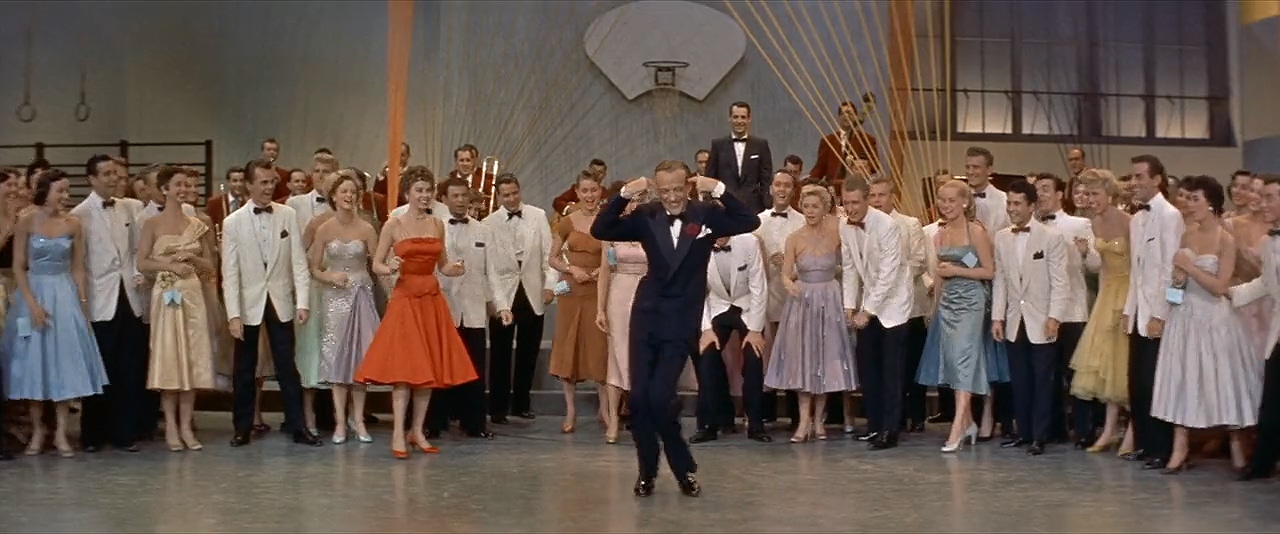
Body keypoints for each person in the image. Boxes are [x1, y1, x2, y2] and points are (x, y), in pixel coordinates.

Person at [590, 160, 760, 498]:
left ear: (688, 185)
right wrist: (623, 195)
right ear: (655, 187)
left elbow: (749, 220)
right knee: (640, 399)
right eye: (664, 190)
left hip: (681, 320)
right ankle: (648, 471)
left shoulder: (705, 213)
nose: (671, 197)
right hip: (647, 315)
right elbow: (602, 229)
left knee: (658, 396)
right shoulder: (646, 214)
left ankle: (682, 469)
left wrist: (720, 189)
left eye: (677, 189)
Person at [355, 167, 479, 458]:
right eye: (419, 190)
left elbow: (443, 264)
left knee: (428, 372)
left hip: (431, 301)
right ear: (408, 193)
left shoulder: (438, 223)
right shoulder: (393, 224)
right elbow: (377, 264)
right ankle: (398, 433)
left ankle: (418, 431)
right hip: (405, 300)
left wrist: (455, 269)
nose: (424, 195)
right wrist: (391, 268)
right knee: (404, 372)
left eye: (428, 190)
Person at [2, 170, 108, 458]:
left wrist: (82, 301)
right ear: (46, 191)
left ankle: (61, 430)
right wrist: (32, 304)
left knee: (64, 363)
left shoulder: (74, 223)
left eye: (66, 190)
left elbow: (77, 267)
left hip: (64, 293)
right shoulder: (26, 220)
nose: (65, 196)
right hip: (33, 291)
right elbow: (18, 266)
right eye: (60, 190)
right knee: (33, 365)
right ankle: (38, 431)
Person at [222, 159, 322, 447]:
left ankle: (297, 425)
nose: (268, 187)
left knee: (287, 365)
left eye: (272, 182)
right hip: (248, 302)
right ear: (249, 184)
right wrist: (233, 315)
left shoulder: (287, 214)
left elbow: (298, 262)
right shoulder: (233, 222)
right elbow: (229, 273)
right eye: (263, 182)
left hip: (280, 300)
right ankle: (242, 427)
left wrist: (302, 301)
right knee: (244, 368)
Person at [136, 167, 217, 452]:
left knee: (192, 359)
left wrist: (192, 257)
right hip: (167, 293)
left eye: (188, 185)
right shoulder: (151, 224)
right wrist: (170, 264)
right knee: (170, 358)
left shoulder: (198, 223)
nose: (184, 189)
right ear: (165, 188)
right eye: (178, 184)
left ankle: (186, 424)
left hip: (193, 294)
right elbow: (142, 263)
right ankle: (170, 425)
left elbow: (210, 266)